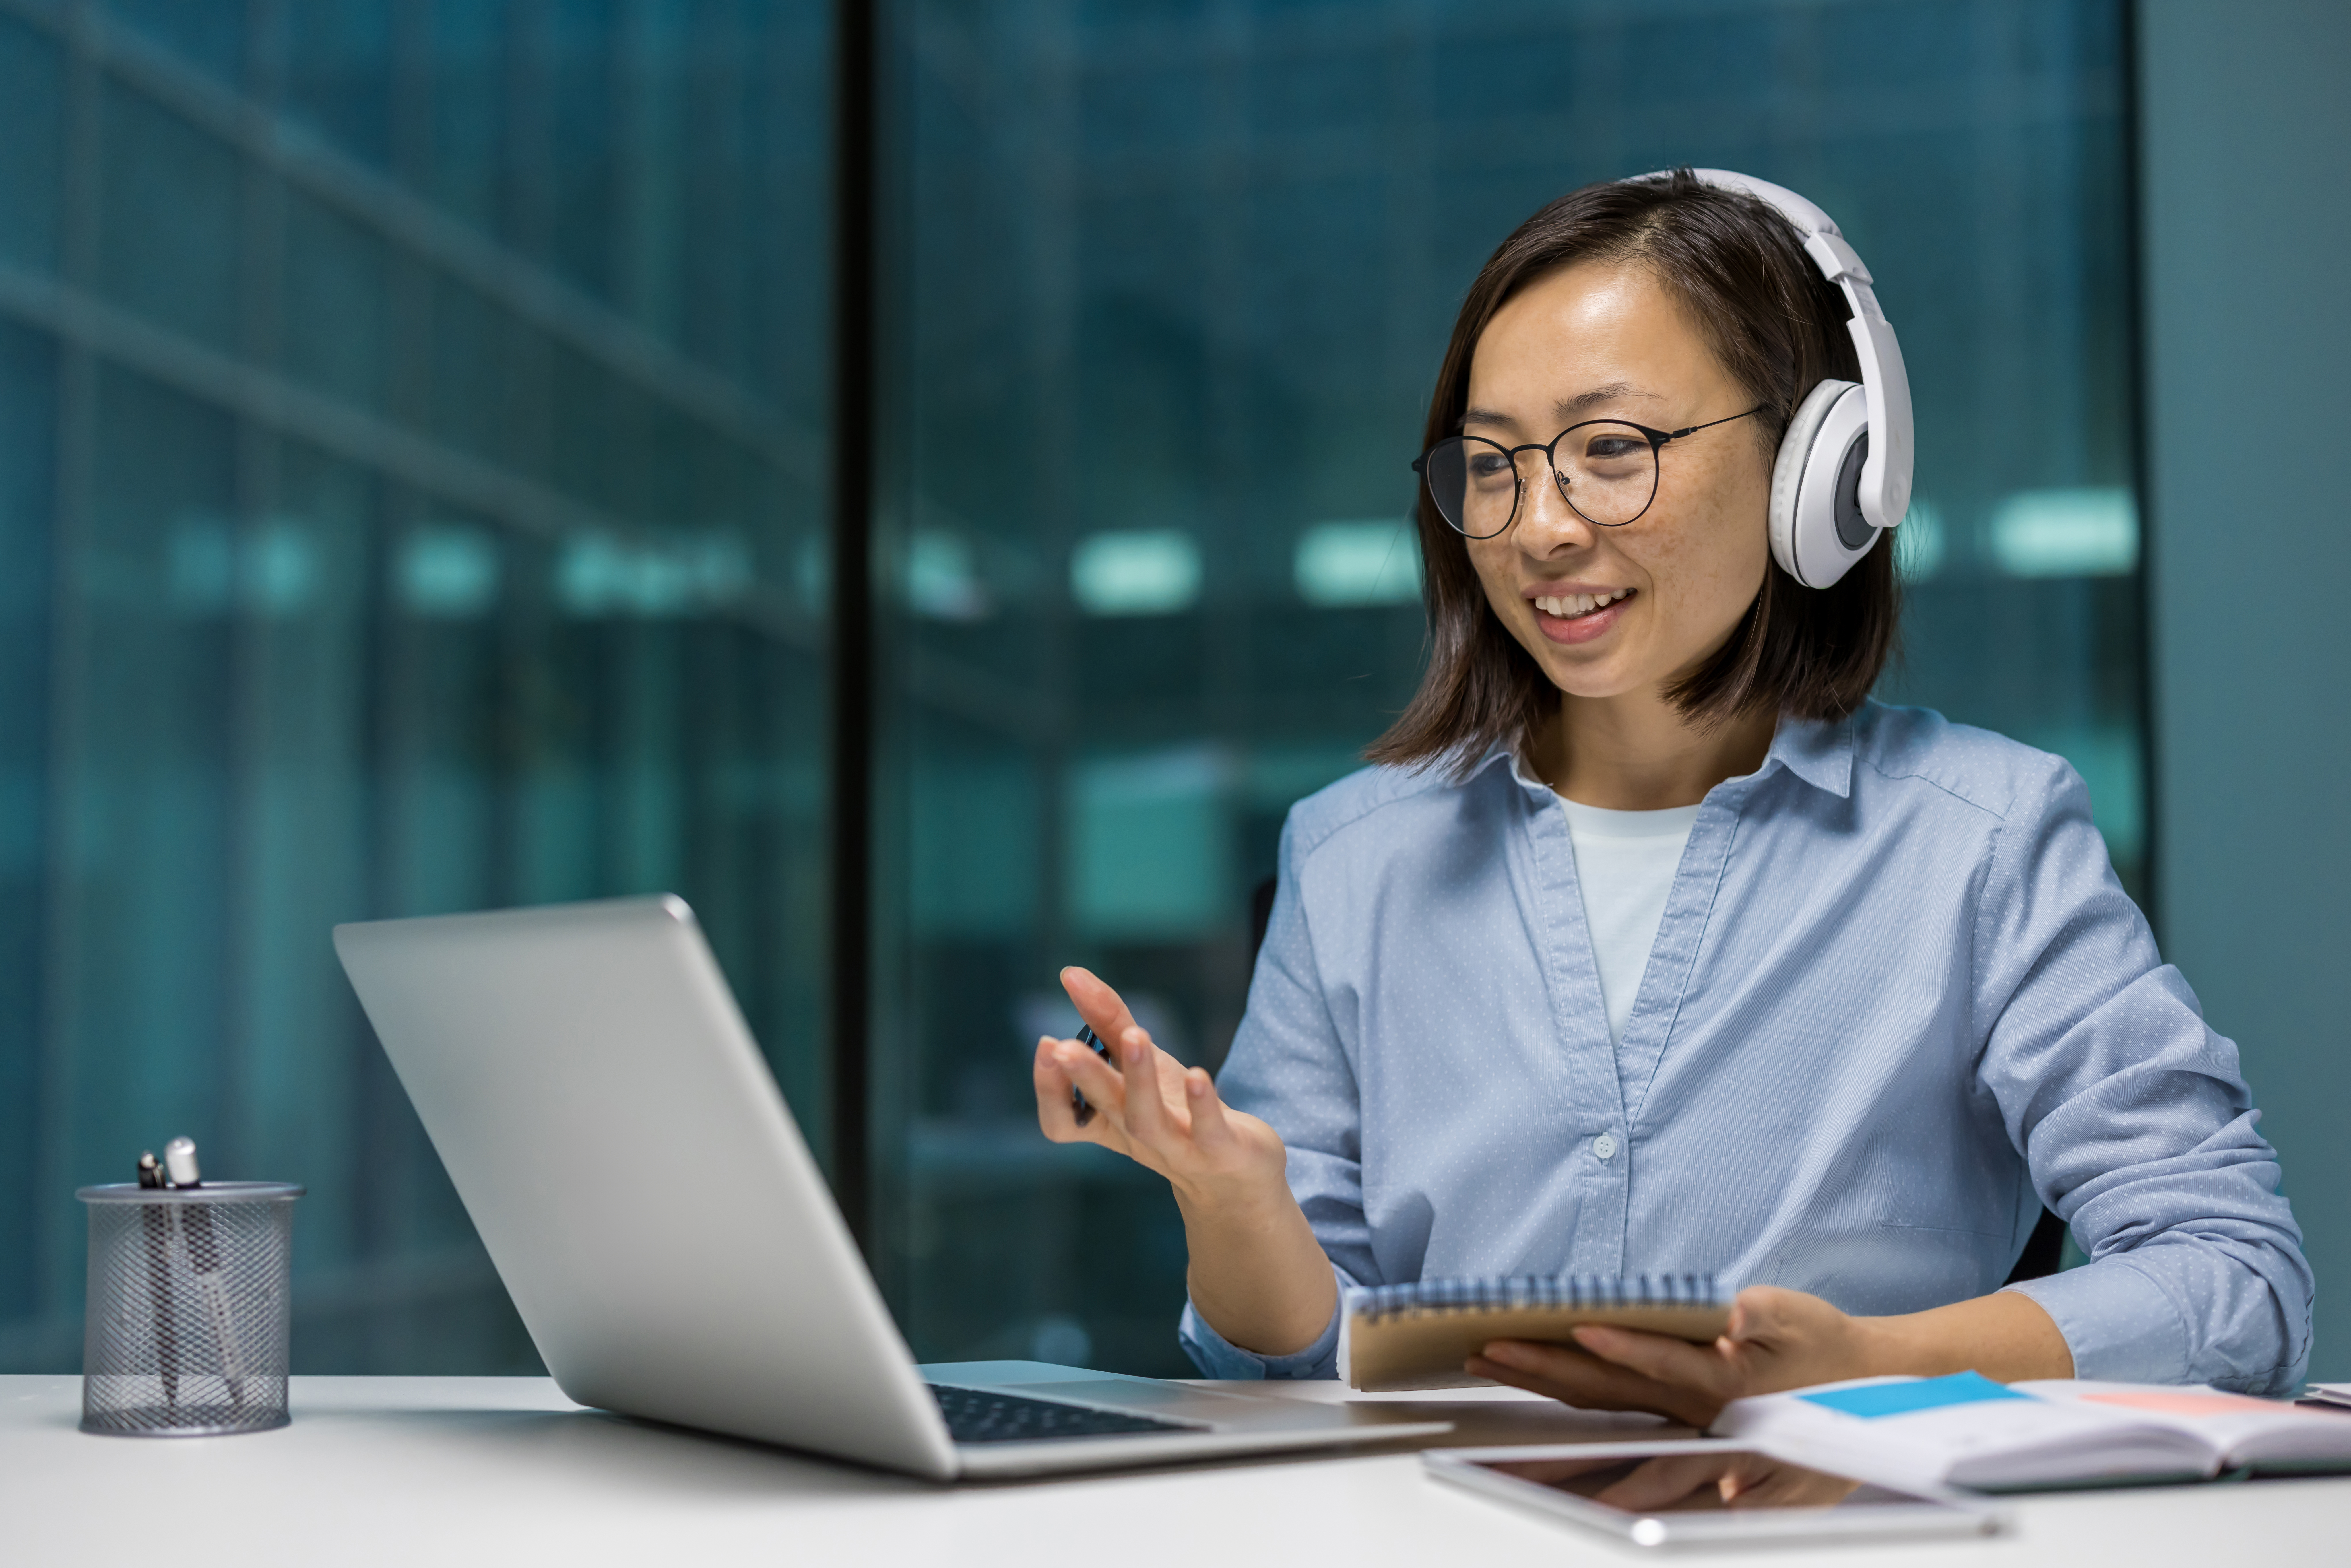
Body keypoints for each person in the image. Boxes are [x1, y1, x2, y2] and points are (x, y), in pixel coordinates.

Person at [1030, 169, 2310, 1421]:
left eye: (1609, 448)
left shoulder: (1982, 839)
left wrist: (1859, 1361)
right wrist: (1233, 1207)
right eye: (1492, 465)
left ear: (1821, 467)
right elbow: (1287, 1378)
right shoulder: (1349, 856)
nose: (1538, 528)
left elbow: (2233, 1279)